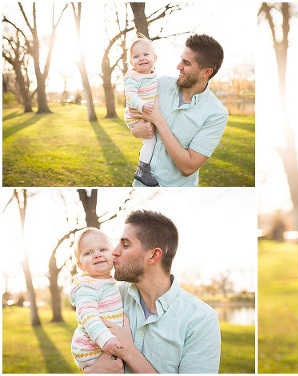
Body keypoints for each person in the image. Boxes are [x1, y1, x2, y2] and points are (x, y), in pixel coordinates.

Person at [83, 210, 221, 373]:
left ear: (154, 255)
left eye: (125, 245)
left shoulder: (200, 320)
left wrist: (129, 352)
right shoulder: (111, 295)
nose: (114, 252)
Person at [129, 34, 228, 187]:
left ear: (206, 72)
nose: (178, 66)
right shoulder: (159, 84)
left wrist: (158, 120)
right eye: (181, 59)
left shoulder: (216, 114)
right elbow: (132, 110)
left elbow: (188, 167)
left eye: (186, 63)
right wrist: (136, 130)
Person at [69, 228, 125, 371]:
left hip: (106, 346)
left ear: (112, 255)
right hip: (91, 348)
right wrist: (105, 339)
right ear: (80, 265)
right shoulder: (87, 287)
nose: (97, 255)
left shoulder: (110, 283)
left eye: (103, 249)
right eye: (89, 253)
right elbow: (88, 317)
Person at [124, 36, 160, 186]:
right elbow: (130, 95)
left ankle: (144, 156)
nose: (142, 58)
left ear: (154, 58)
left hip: (146, 114)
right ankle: (142, 170)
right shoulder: (133, 78)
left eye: (146, 54)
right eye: (136, 56)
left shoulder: (152, 76)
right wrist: (142, 105)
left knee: (152, 142)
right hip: (136, 115)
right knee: (151, 143)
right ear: (131, 62)